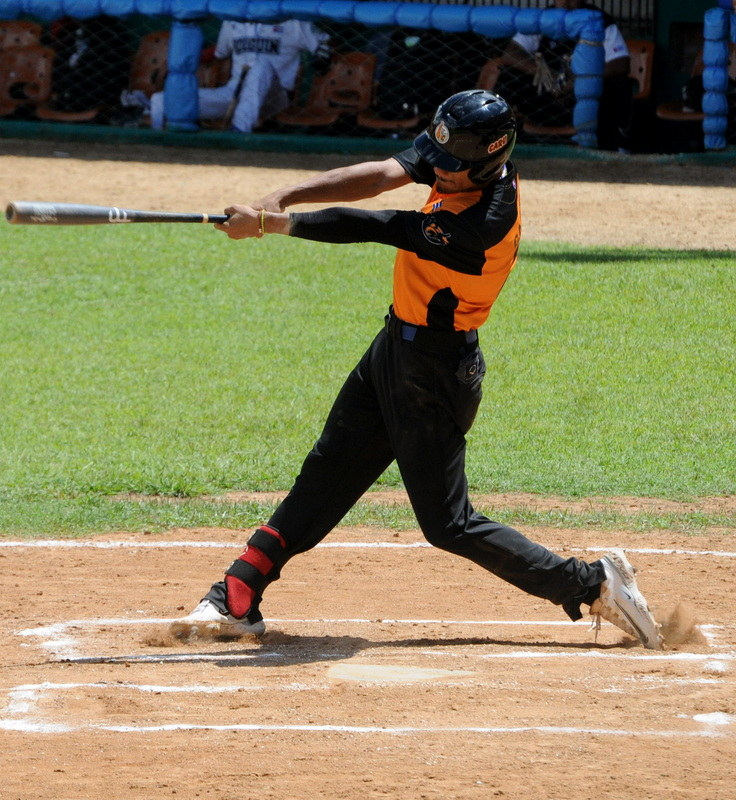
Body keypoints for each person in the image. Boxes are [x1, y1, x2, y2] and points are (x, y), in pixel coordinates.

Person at [169, 89, 664, 651]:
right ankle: (240, 588)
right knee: (328, 468)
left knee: (448, 524)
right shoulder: (464, 160)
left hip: (435, 372)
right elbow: (381, 173)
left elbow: (380, 223)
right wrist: (281, 195)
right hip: (394, 349)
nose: (438, 173)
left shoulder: (481, 223)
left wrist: (275, 226)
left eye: (450, 169)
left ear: (488, 160)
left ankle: (592, 582)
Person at [147, 19, 328, 133]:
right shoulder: (232, 22)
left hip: (275, 96)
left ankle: (239, 132)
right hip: (234, 94)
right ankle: (161, 143)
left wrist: (322, 60)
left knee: (260, 65)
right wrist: (176, 64)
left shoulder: (294, 22)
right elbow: (219, 53)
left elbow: (325, 46)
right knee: (160, 100)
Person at [495, 0, 632, 150]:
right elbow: (511, 52)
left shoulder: (599, 19)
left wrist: (576, 83)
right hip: (547, 95)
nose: (566, 2)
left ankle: (617, 144)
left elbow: (621, 62)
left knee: (618, 83)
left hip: (583, 101)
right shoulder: (543, 18)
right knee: (508, 75)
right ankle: (497, 141)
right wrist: (545, 75)